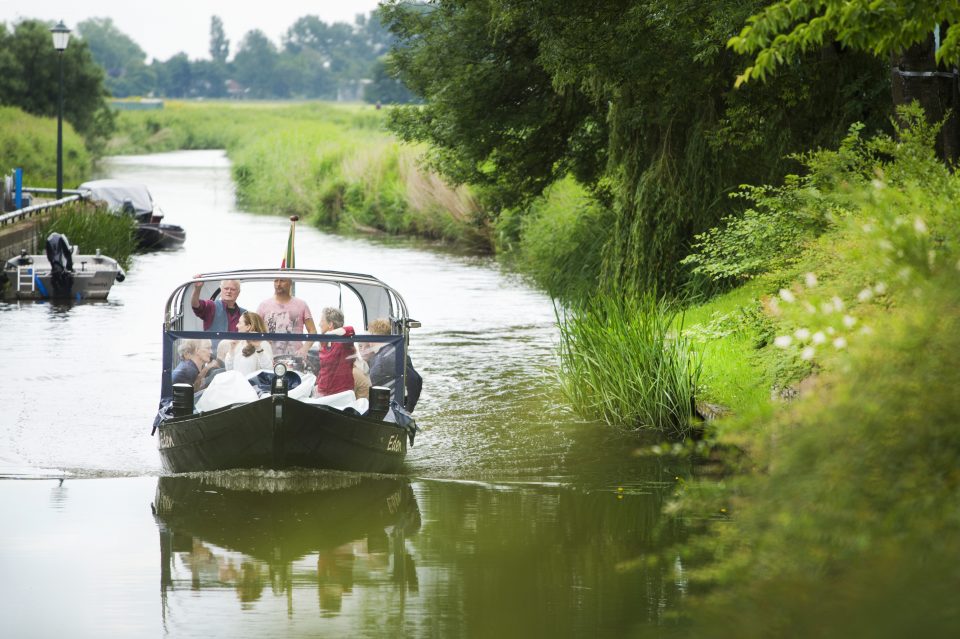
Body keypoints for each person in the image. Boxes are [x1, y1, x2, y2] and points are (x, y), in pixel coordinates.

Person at [364, 318, 422, 412]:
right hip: (378, 404)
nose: (368, 341)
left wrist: (408, 409)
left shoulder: (388, 356)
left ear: (376, 336)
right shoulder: (379, 354)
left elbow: (415, 379)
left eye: (370, 335)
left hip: (388, 409)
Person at [256, 278, 316, 358]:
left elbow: (312, 331)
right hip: (268, 358)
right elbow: (254, 329)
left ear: (290, 283)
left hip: (294, 359)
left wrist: (304, 349)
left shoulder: (302, 304)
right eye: (276, 281)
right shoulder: (263, 305)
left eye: (282, 281)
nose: (278, 284)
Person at [314, 307, 357, 397]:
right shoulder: (323, 344)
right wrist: (317, 386)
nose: (319, 324)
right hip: (323, 392)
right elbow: (324, 370)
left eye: (322, 321)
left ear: (330, 324)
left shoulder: (343, 342)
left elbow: (350, 330)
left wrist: (328, 334)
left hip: (341, 394)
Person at [224, 311, 274, 375]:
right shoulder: (239, 343)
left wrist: (258, 348)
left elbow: (269, 369)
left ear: (248, 327)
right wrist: (232, 350)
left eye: (239, 323)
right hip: (237, 383)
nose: (236, 326)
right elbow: (229, 369)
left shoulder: (263, 343)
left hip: (254, 384)